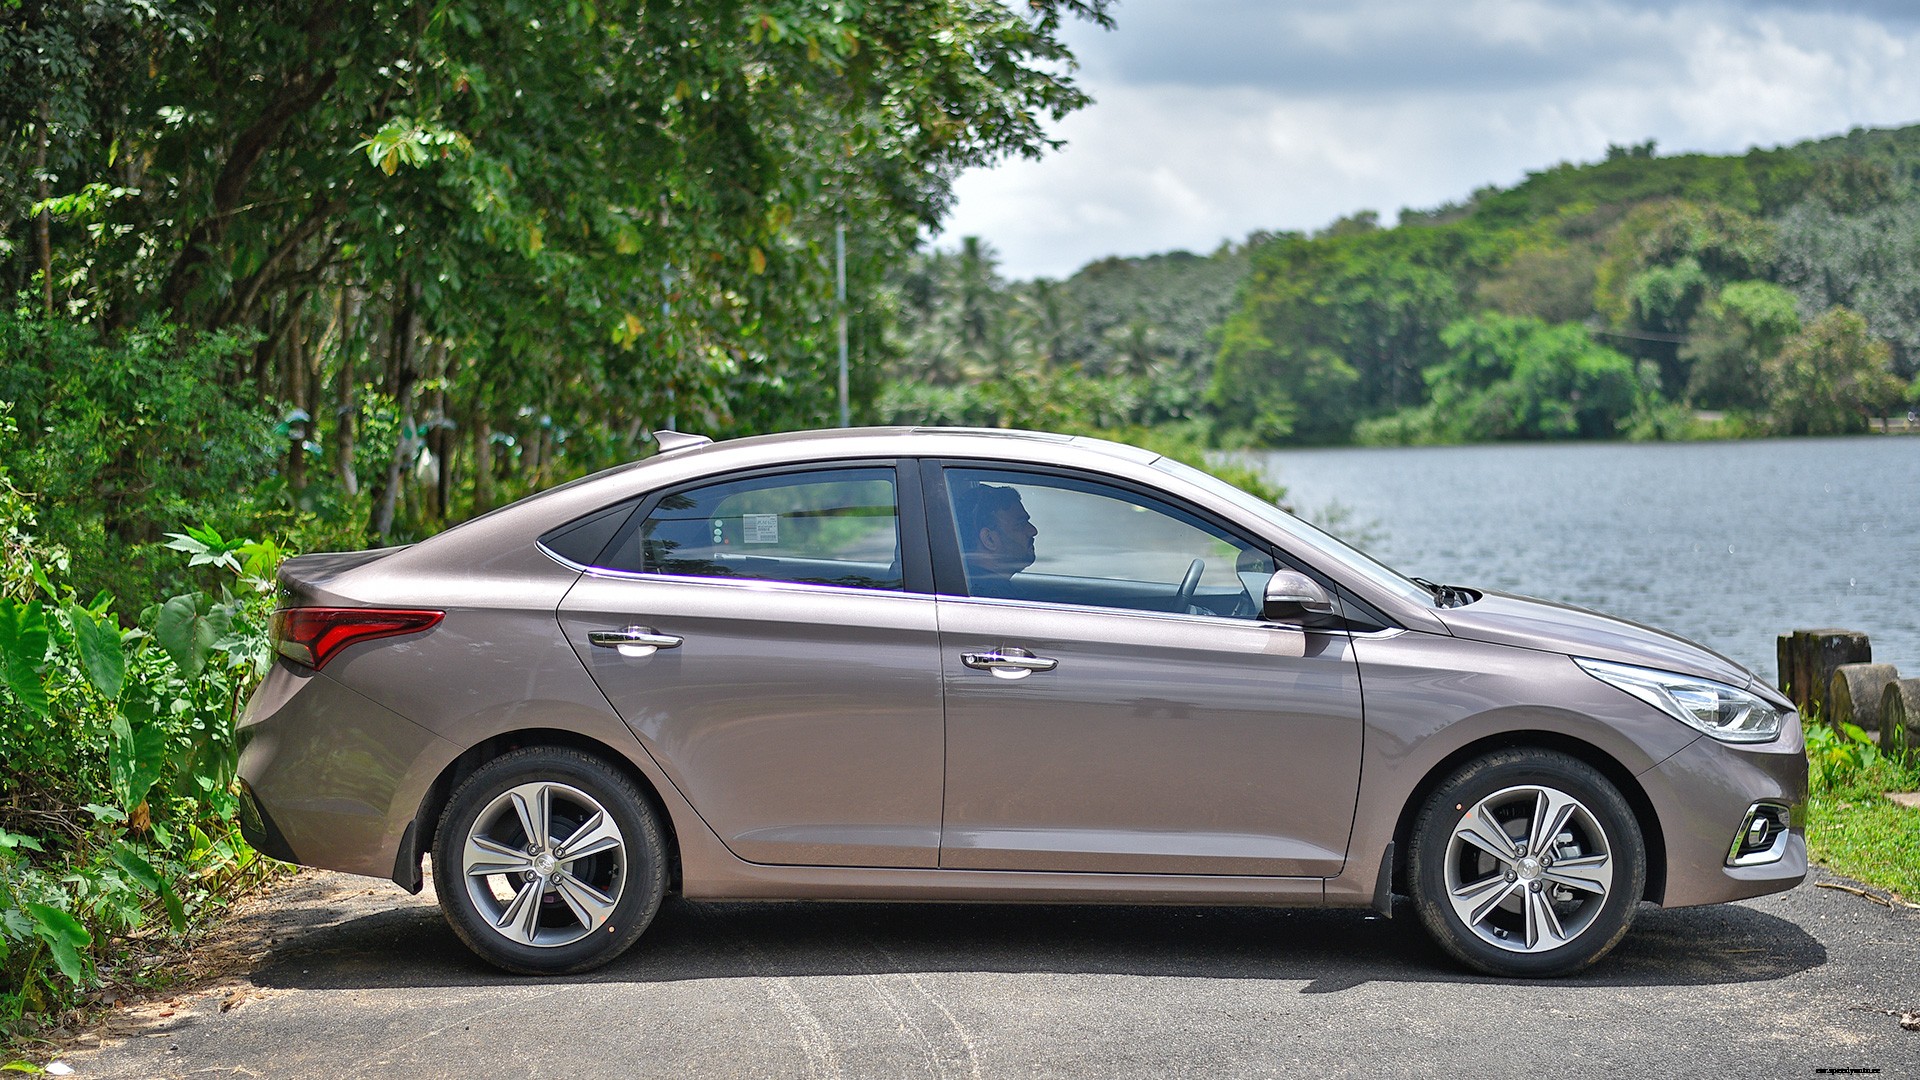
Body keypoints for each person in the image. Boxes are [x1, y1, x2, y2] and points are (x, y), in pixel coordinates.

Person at [953, 482, 1037, 597]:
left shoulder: (971, 588)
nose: (1033, 530)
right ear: (989, 539)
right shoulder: (996, 600)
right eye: (1020, 524)